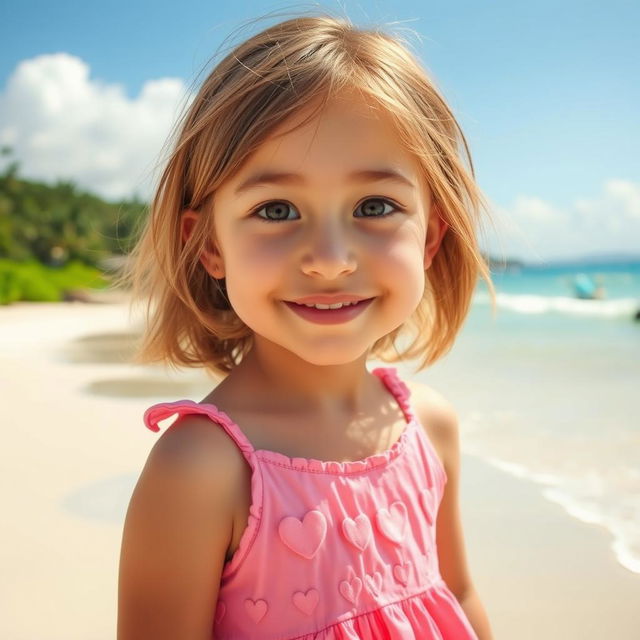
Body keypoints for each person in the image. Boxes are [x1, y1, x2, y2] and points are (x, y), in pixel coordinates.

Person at [116, 10, 498, 640]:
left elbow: (457, 592)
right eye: (277, 209)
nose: (329, 259)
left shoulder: (429, 426)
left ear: (430, 236)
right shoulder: (201, 470)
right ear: (208, 243)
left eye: (375, 206)